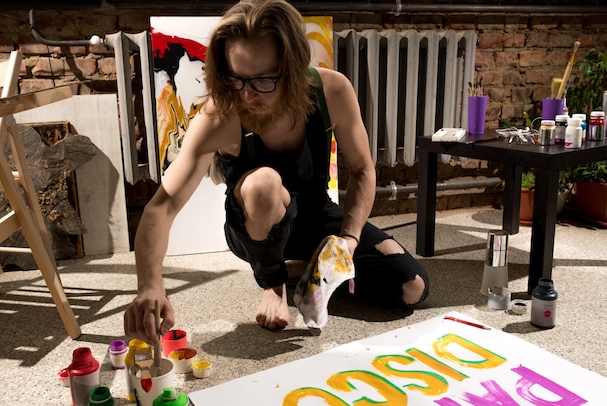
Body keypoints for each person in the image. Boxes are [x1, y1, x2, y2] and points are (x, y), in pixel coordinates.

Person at [124, 0, 429, 346]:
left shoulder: (332, 91)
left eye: (263, 80)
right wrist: (150, 284)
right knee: (263, 185)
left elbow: (362, 170)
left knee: (412, 288)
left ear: (294, 69)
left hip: (314, 214)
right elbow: (160, 208)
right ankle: (273, 282)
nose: (247, 95)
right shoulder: (219, 115)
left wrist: (348, 241)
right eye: (235, 79)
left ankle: (302, 268)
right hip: (253, 227)